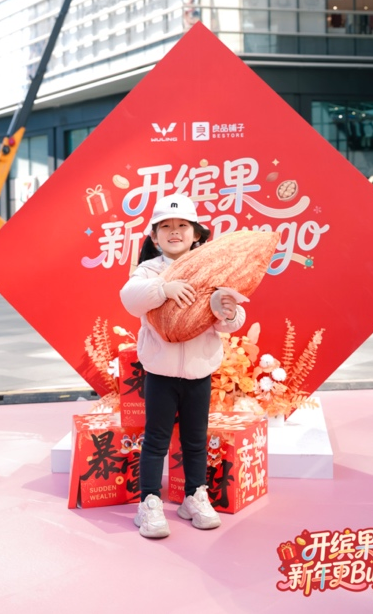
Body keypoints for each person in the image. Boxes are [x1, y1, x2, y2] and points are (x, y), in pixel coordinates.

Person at [120, 194, 246, 538]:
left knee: (195, 440)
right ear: (154, 236)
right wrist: (164, 288)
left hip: (198, 373)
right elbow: (130, 299)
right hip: (160, 374)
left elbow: (230, 321)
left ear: (197, 233)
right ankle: (149, 503)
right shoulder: (149, 270)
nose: (174, 232)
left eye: (182, 226)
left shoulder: (212, 269)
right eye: (166, 227)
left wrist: (229, 312)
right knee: (156, 440)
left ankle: (194, 496)